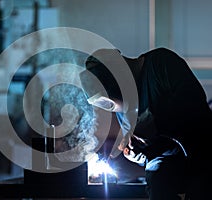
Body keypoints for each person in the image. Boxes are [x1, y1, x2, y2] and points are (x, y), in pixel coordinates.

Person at [79, 47, 212, 200]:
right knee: (158, 184)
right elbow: (151, 153)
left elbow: (198, 115)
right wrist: (136, 153)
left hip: (201, 157)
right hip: (165, 170)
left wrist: (159, 124)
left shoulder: (161, 64)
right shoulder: (123, 110)